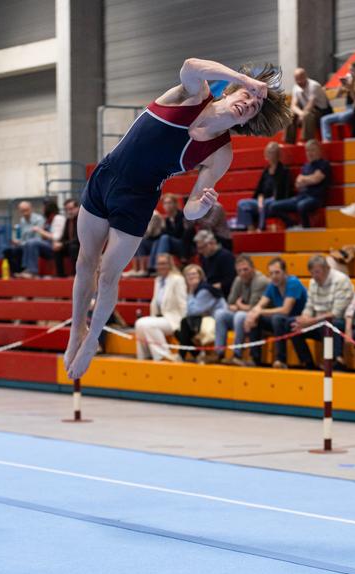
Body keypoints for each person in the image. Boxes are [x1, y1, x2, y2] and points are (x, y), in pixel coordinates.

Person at [64, 57, 291, 379]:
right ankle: (77, 331)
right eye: (245, 96)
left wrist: (203, 204)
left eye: (254, 107)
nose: (247, 104)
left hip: (138, 198)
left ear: (250, 121)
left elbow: (189, 210)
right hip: (105, 175)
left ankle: (92, 342)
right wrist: (252, 83)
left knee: (108, 276)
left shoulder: (220, 154)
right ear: (231, 90)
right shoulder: (191, 97)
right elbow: (191, 65)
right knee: (85, 262)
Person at [288, 255, 354, 370]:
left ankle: (337, 361)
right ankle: (307, 363)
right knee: (293, 326)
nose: (314, 276)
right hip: (318, 321)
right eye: (312, 273)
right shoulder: (313, 282)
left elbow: (337, 312)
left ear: (327, 269)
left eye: (317, 272)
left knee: (329, 324)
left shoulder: (341, 280)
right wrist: (304, 319)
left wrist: (311, 321)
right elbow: (309, 306)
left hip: (340, 321)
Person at [244, 257, 307, 368]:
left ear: (285, 272)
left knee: (277, 318)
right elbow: (260, 305)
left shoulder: (293, 282)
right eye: (271, 273)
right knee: (258, 318)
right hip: (282, 321)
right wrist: (252, 314)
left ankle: (281, 360)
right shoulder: (272, 285)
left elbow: (285, 310)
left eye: (277, 272)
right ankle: (254, 359)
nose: (274, 276)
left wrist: (260, 311)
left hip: (298, 319)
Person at [208, 254, 269, 365]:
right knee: (220, 314)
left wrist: (239, 305)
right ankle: (219, 352)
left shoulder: (260, 281)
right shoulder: (238, 279)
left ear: (253, 268)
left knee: (239, 315)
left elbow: (253, 308)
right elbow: (230, 303)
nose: (242, 273)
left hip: (260, 317)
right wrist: (238, 306)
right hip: (242, 315)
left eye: (245, 269)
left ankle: (237, 354)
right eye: (239, 270)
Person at [135, 254, 186, 361]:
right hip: (159, 317)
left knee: (148, 325)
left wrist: (184, 323)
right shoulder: (158, 280)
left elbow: (183, 302)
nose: (161, 266)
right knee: (139, 324)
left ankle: (164, 356)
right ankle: (144, 356)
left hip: (173, 318)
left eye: (163, 263)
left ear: (170, 264)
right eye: (159, 264)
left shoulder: (177, 279)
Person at [269, 139, 331, 228]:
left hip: (315, 198)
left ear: (319, 151)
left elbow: (316, 179)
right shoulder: (306, 166)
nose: (309, 153)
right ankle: (292, 224)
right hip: (300, 197)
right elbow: (297, 183)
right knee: (273, 206)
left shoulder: (324, 164)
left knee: (302, 206)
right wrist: (310, 179)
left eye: (312, 150)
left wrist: (305, 180)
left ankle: (306, 229)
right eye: (307, 151)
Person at [176, 264, 227, 361]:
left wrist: (190, 292)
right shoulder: (196, 290)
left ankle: (181, 356)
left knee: (184, 323)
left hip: (217, 319)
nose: (191, 276)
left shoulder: (204, 290)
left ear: (200, 275)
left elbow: (193, 311)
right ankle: (198, 354)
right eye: (188, 275)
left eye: (194, 274)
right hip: (205, 318)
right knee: (178, 332)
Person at [236, 141, 292, 230]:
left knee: (265, 204)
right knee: (242, 203)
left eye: (271, 152)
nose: (269, 154)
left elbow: (285, 192)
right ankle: (250, 229)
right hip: (262, 202)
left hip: (276, 202)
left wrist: (266, 202)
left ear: (277, 154)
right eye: (268, 152)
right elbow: (260, 191)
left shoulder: (284, 171)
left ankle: (261, 228)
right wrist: (260, 201)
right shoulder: (266, 171)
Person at [19, 200, 66, 278]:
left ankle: (32, 271)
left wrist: (39, 230)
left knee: (32, 242)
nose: (43, 210)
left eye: (44, 208)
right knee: (28, 243)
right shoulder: (48, 220)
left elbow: (56, 237)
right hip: (47, 244)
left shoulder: (58, 218)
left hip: (56, 246)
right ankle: (27, 269)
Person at [285, 67, 332, 144]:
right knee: (290, 115)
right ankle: (289, 142)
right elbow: (293, 106)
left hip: (321, 112)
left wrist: (303, 115)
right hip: (306, 111)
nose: (299, 82)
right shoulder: (296, 88)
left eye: (300, 79)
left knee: (307, 115)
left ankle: (307, 141)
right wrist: (301, 114)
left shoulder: (314, 86)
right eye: (297, 79)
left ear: (305, 77)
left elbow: (311, 104)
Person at [320, 60, 355, 142]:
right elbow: (337, 95)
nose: (351, 72)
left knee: (340, 117)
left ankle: (328, 142)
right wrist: (342, 85)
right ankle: (327, 141)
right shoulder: (351, 82)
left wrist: (350, 89)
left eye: (352, 70)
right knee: (324, 119)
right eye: (350, 70)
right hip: (347, 109)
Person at [3, 201, 44, 275]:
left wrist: (22, 243)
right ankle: (15, 273)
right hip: (24, 243)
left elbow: (38, 237)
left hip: (35, 244)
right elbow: (22, 237)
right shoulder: (22, 220)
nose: (25, 213)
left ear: (31, 209)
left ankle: (26, 271)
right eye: (22, 211)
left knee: (22, 248)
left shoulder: (39, 219)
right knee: (7, 251)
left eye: (26, 210)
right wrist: (17, 241)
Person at [194, 230, 236, 299]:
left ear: (212, 243)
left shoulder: (226, 256)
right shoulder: (205, 257)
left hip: (223, 295)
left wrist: (210, 288)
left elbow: (231, 280)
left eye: (201, 248)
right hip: (210, 291)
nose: (199, 251)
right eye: (198, 248)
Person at [124, 211, 165, 277]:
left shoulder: (155, 215)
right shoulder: (138, 213)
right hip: (147, 238)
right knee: (134, 239)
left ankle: (143, 269)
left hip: (156, 241)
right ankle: (135, 269)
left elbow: (152, 233)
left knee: (139, 240)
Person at [154, 194, 188, 262]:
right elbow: (163, 234)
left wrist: (164, 229)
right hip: (171, 243)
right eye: (165, 203)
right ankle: (151, 267)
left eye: (169, 203)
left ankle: (159, 264)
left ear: (175, 204)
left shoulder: (182, 215)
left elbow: (178, 234)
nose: (167, 205)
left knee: (164, 238)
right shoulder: (167, 219)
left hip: (183, 245)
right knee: (156, 241)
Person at [53, 199, 80, 277]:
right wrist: (59, 243)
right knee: (57, 250)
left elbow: (78, 239)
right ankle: (60, 274)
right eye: (66, 210)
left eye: (71, 209)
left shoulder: (81, 219)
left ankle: (76, 274)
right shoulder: (68, 221)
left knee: (73, 247)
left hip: (81, 246)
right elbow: (65, 237)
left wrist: (62, 244)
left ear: (77, 208)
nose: (69, 211)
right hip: (70, 244)